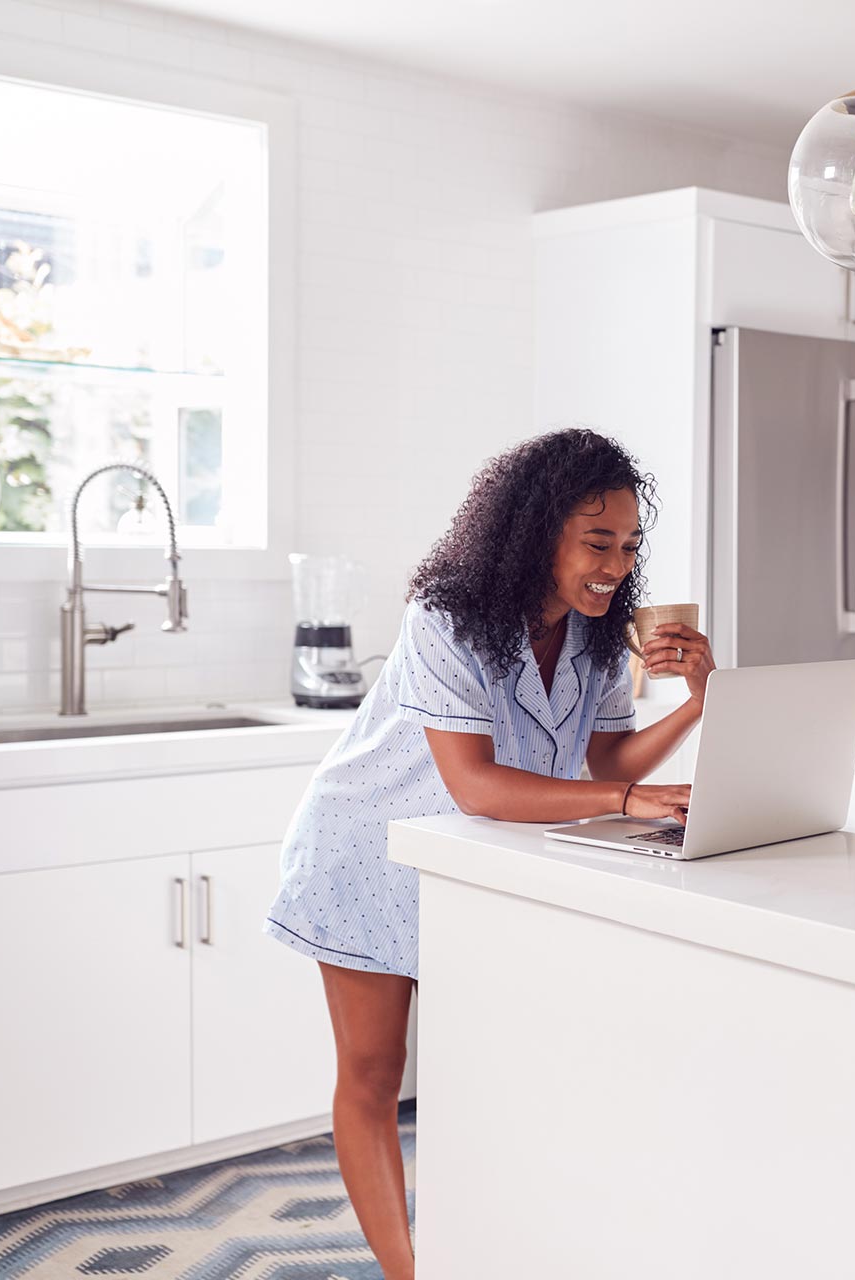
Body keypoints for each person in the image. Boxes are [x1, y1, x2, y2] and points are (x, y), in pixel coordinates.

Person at [264, 429, 709, 1279]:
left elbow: (610, 759)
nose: (615, 564)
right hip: (368, 851)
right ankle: (411, 1273)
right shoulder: (447, 617)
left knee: (502, 1069)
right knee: (372, 1072)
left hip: (482, 865)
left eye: (628, 545)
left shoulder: (597, 635)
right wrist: (623, 802)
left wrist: (701, 699)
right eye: (596, 542)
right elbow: (476, 783)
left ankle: (499, 1246)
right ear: (538, 532)